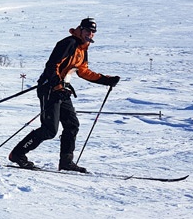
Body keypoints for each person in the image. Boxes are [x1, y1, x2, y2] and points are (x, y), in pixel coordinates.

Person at [9, 18, 120, 172]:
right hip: (50, 88)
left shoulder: (83, 49)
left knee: (72, 125)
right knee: (49, 130)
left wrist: (105, 80)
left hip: (63, 90)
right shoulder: (69, 43)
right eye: (88, 30)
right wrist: (56, 85)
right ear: (80, 29)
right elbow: (52, 65)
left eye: (93, 32)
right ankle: (17, 154)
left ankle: (66, 162)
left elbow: (83, 71)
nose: (91, 34)